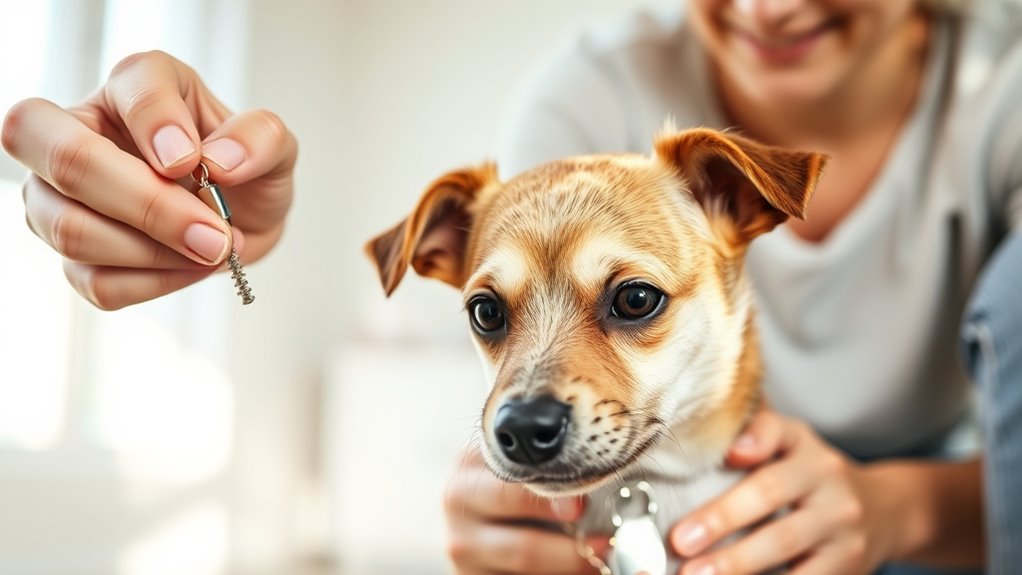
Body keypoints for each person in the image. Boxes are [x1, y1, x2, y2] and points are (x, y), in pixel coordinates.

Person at [0, 1, 1018, 574]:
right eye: (491, 313)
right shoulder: (583, 95)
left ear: (738, 201)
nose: (770, 8)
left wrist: (897, 509)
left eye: (629, 301)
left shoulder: (1000, 87)